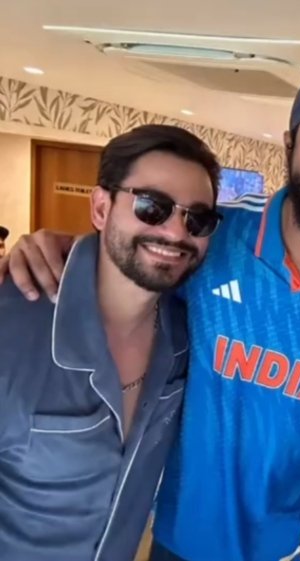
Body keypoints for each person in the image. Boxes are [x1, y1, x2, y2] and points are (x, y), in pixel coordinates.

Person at [0, 61, 300, 561]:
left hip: (299, 551)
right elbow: (140, 259)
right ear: (290, 144)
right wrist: (65, 250)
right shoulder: (216, 232)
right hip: (177, 543)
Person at [0, 124, 221, 561]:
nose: (176, 233)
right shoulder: (12, 326)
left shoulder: (187, 332)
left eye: (197, 219)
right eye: (151, 207)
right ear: (101, 208)